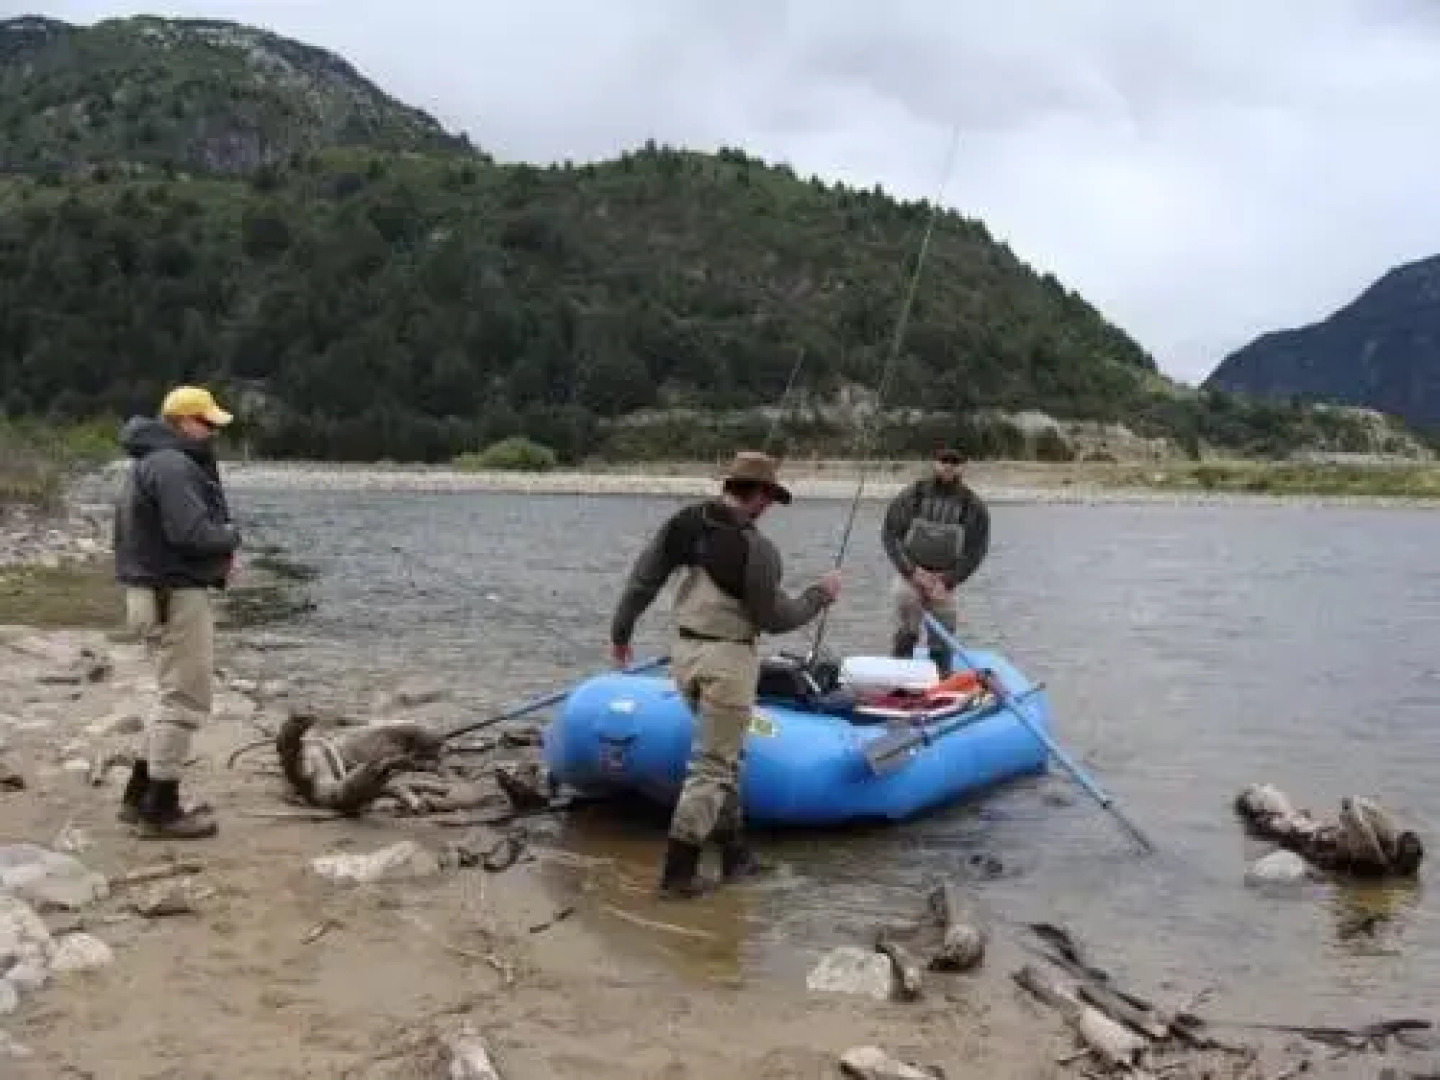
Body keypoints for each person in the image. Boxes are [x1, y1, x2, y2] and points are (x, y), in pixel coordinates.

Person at [609, 451, 841, 899]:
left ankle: (735, 856)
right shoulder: (758, 549)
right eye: (769, 497)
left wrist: (621, 634)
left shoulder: (684, 523)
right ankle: (677, 876)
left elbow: (642, 582)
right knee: (713, 767)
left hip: (684, 655)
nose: (769, 507)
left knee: (726, 756)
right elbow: (775, 618)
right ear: (758, 494)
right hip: (728, 662)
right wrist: (819, 595)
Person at [113, 386, 242, 840]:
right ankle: (160, 810)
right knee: (185, 699)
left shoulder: (150, 462)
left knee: (170, 695)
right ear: (184, 422)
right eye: (206, 423)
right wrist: (231, 536)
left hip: (153, 593)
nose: (212, 432)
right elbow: (191, 534)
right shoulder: (172, 465)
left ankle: (139, 797)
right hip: (174, 595)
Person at [880, 447, 990, 678]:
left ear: (962, 467)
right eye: (943, 461)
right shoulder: (913, 495)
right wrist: (911, 572)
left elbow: (976, 550)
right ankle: (899, 675)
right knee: (907, 623)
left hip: (945, 580)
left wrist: (949, 580)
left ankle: (940, 676)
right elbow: (890, 535)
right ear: (935, 463)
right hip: (910, 575)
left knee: (944, 631)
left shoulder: (973, 505)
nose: (948, 466)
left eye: (954, 462)